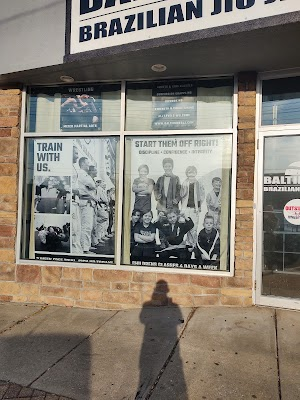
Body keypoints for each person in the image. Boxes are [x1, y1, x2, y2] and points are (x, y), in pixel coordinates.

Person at [180, 166, 205, 247]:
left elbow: (201, 196)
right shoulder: (184, 183)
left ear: (196, 173)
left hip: (194, 208)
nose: (191, 174)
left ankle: (193, 244)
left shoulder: (198, 183)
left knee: (194, 227)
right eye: (189, 172)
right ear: (187, 174)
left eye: (193, 172)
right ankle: (188, 243)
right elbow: (181, 195)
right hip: (186, 208)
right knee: (187, 226)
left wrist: (198, 206)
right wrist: (184, 188)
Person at [78, 157, 97, 254]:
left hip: (87, 203)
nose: (89, 165)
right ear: (82, 164)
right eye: (87, 163)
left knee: (88, 226)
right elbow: (92, 185)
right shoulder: (82, 174)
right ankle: (85, 249)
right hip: (86, 203)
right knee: (86, 226)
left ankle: (86, 247)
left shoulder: (84, 174)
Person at [71, 146, 83, 253]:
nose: (77, 156)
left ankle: (78, 250)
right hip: (72, 201)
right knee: (74, 228)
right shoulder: (67, 168)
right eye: (75, 153)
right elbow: (67, 186)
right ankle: (75, 251)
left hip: (76, 201)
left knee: (78, 228)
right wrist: (76, 191)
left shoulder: (73, 168)